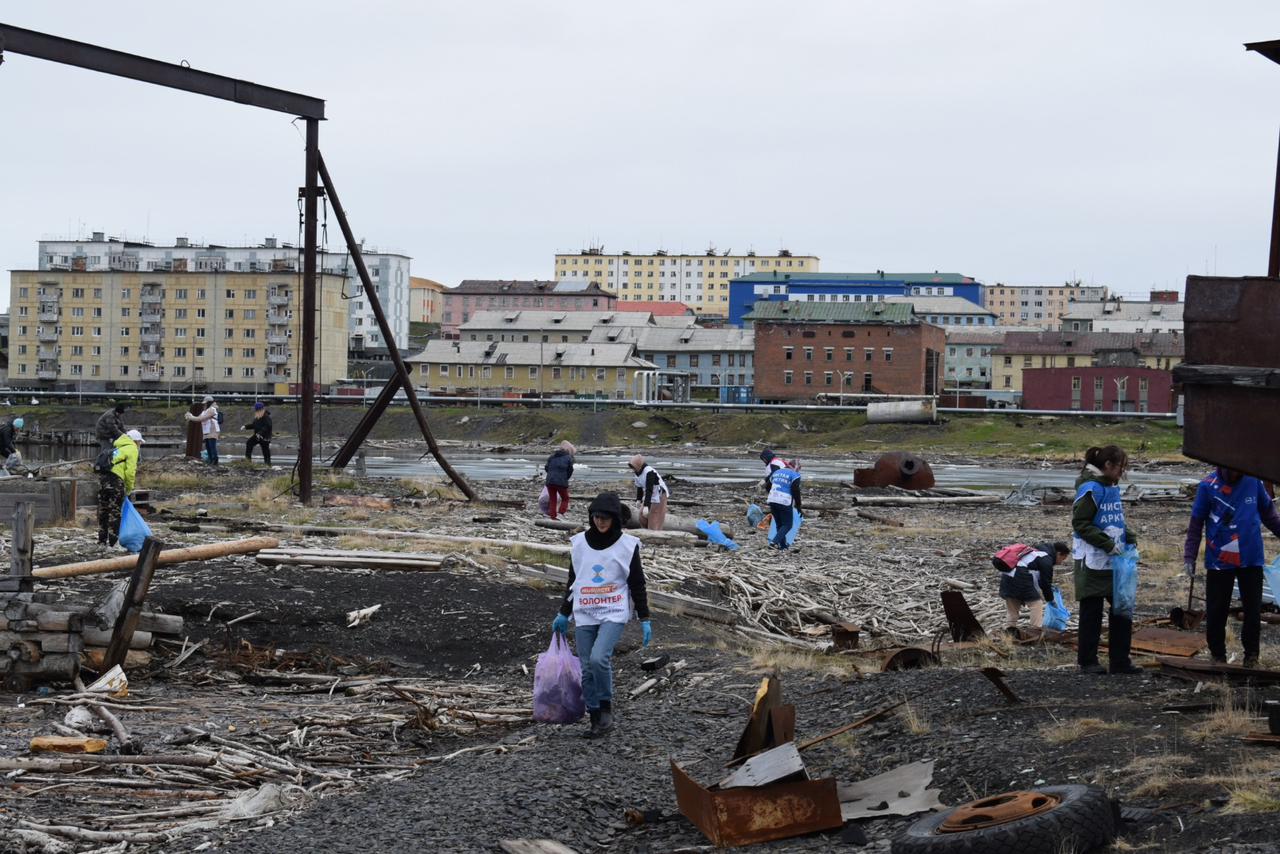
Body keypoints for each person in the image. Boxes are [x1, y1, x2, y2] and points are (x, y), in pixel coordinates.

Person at [551, 492, 651, 738]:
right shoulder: (580, 544)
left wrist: (645, 617)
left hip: (614, 610)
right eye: (596, 517)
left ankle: (606, 709)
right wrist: (564, 612)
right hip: (585, 610)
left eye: (605, 518)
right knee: (586, 668)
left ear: (614, 518)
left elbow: (637, 582)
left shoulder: (627, 546)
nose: (600, 522)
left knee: (598, 659)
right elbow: (574, 580)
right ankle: (595, 717)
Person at [1183, 467, 1280, 668]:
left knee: (1252, 610)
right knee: (1217, 610)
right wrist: (1189, 556)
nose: (1237, 474)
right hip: (1220, 560)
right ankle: (1218, 656)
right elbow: (1196, 524)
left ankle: (1251, 656)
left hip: (1251, 558)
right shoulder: (1207, 486)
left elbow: (1269, 515)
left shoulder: (1253, 482)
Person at [1072, 445, 1140, 675]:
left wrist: (1129, 537)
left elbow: (1114, 517)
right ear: (1108, 466)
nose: (1123, 472)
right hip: (1091, 560)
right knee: (1091, 611)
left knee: (1122, 608)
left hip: (1115, 561)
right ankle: (1087, 661)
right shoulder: (1091, 488)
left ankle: (1120, 661)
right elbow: (1080, 524)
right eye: (1121, 467)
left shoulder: (1111, 486)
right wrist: (1107, 543)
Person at [998, 542, 1071, 632]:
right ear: (1059, 554)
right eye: (1062, 559)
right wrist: (1050, 599)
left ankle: (1009, 630)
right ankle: (1035, 631)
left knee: (1013, 606)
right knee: (1036, 604)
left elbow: (1038, 578)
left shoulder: (1034, 552)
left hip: (1007, 576)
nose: (1060, 563)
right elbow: (1045, 583)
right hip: (1020, 576)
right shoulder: (1045, 558)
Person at [98, 429, 143, 546]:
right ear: (136, 441)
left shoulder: (117, 448)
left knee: (104, 510)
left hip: (103, 479)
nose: (140, 445)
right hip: (116, 481)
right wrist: (128, 489)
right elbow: (130, 472)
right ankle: (113, 543)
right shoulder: (132, 448)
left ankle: (101, 541)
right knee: (115, 511)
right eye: (140, 443)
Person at [766, 461, 803, 550]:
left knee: (779, 524)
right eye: (799, 469)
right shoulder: (795, 475)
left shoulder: (777, 472)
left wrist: (773, 494)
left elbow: (767, 485)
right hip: (784, 500)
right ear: (796, 468)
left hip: (772, 499)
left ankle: (783, 546)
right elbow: (795, 490)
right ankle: (773, 542)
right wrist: (798, 505)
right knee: (787, 525)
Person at [628, 454, 670, 530]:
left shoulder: (649, 472)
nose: (633, 469)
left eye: (633, 467)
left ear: (638, 465)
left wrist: (646, 506)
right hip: (650, 495)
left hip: (659, 495)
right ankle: (646, 531)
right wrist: (639, 499)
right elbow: (639, 487)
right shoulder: (637, 473)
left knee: (654, 516)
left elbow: (649, 489)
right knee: (641, 516)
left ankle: (654, 534)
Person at [544, 440, 575, 520]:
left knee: (553, 499)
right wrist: (565, 478)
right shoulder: (568, 458)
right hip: (561, 481)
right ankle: (561, 513)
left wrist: (551, 474)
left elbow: (546, 468)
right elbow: (570, 470)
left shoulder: (552, 457)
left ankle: (553, 516)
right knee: (565, 498)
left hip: (550, 481)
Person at [185, 395, 221, 466]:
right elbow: (198, 418)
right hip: (206, 431)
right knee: (208, 446)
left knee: (212, 446)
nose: (204, 404)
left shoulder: (212, 409)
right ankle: (211, 460)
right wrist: (190, 416)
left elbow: (201, 419)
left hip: (212, 430)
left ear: (209, 402)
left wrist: (191, 417)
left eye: (205, 403)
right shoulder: (205, 411)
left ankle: (215, 460)